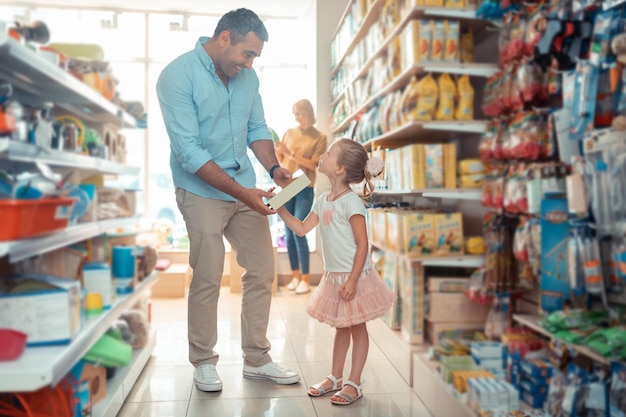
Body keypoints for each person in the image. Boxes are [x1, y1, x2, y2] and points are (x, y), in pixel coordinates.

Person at [156, 8, 300, 392]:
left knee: (261, 270)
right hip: (201, 189)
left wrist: (274, 169)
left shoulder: (247, 79)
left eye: (254, 56)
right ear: (224, 38)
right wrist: (242, 193)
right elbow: (188, 150)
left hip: (245, 185)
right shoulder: (176, 76)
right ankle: (203, 361)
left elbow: (256, 127)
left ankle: (257, 359)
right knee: (207, 275)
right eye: (247, 54)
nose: (249, 63)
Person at [276, 138, 394, 405]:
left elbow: (363, 245)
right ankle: (336, 376)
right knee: (342, 327)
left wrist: (352, 280)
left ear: (339, 168)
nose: (323, 155)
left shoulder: (352, 203)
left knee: (357, 328)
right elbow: (302, 229)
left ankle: (354, 382)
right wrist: (279, 208)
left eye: (329, 153)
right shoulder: (322, 200)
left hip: (356, 277)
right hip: (335, 277)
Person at [274, 99, 327, 294]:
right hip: (288, 185)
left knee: (299, 231)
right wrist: (280, 153)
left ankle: (306, 278)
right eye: (294, 114)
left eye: (299, 113)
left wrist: (291, 154)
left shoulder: (319, 137)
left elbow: (314, 166)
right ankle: (295, 276)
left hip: (304, 184)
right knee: (288, 233)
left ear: (307, 112)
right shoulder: (289, 132)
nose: (296, 117)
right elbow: (283, 160)